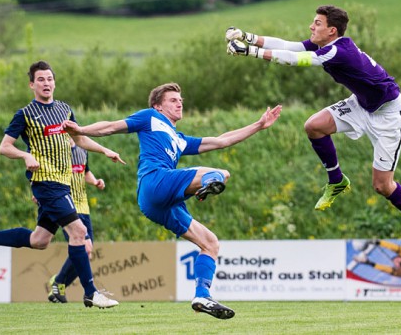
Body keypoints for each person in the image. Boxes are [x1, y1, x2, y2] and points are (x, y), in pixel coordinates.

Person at [225, 5, 401, 260]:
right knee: (313, 126)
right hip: (362, 104)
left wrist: (250, 52)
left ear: (331, 30)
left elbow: (296, 60)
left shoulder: (337, 51)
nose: (312, 27)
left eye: (317, 23)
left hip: (389, 115)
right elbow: (290, 46)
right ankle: (336, 180)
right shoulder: (328, 46)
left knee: (382, 185)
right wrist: (247, 37)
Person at [61, 82, 282, 320]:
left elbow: (221, 141)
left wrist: (259, 125)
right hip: (155, 181)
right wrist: (81, 130)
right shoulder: (150, 118)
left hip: (159, 204)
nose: (179, 103)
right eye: (173, 100)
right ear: (158, 106)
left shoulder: (179, 139)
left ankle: (201, 295)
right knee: (220, 174)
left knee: (210, 243)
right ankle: (206, 187)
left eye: (181, 100)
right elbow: (111, 127)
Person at [0, 60, 125, 309]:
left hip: (63, 184)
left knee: (40, 240)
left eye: (49, 79)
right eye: (41, 79)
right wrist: (25, 155)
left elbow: (79, 139)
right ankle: (91, 293)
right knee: (79, 233)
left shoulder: (64, 109)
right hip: (45, 183)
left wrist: (105, 150)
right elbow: (4, 147)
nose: (46, 83)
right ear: (32, 84)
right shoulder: (25, 114)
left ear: (54, 82)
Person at [45, 139, 106, 304]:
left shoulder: (82, 149)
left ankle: (59, 282)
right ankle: (62, 284)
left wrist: (95, 181)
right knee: (85, 248)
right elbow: (45, 173)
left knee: (86, 252)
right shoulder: (57, 151)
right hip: (67, 206)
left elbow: (85, 172)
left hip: (84, 207)